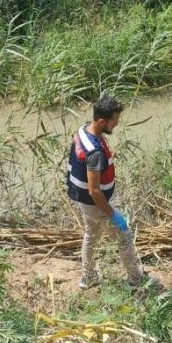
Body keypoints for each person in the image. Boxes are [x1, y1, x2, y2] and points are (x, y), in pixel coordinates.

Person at [66, 96, 157, 290]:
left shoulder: (84, 130)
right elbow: (94, 190)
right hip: (95, 204)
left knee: (91, 233)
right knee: (124, 235)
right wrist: (111, 214)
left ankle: (88, 277)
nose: (116, 124)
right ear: (101, 121)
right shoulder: (95, 153)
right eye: (113, 121)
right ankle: (135, 280)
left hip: (84, 202)